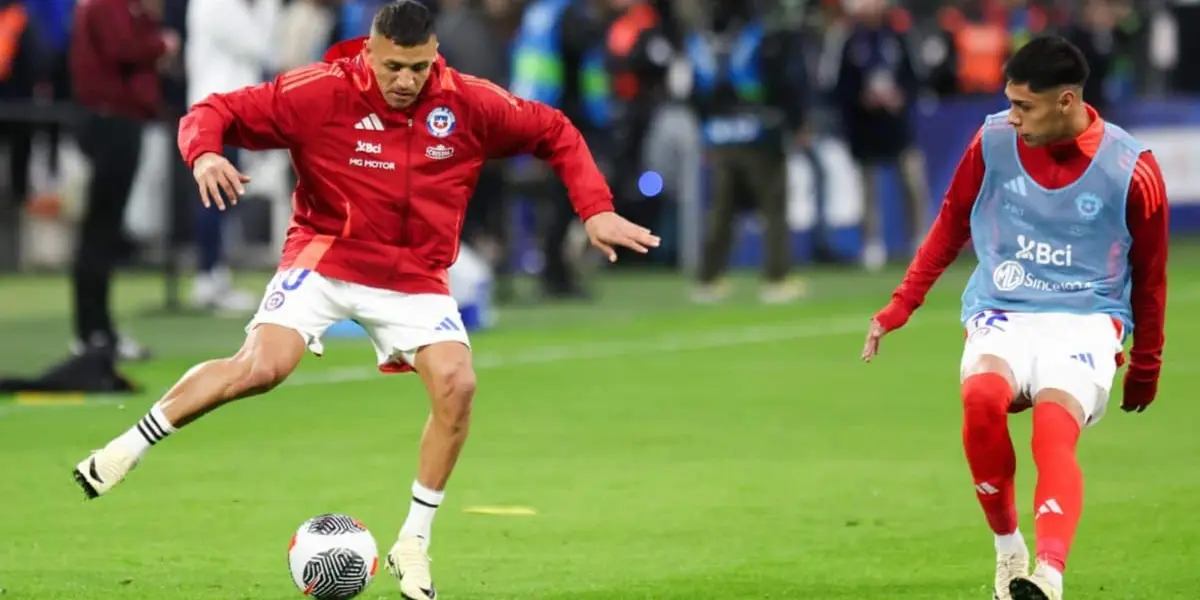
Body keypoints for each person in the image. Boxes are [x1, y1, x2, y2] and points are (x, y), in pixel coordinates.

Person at [71, 3, 659, 600]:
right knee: (262, 367)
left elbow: (554, 130)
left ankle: (413, 543)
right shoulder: (319, 91)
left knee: (458, 384)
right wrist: (206, 153)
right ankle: (126, 448)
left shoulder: (467, 103)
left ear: (435, 57)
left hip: (416, 273)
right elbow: (212, 110)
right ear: (368, 54)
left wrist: (596, 208)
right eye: (394, 67)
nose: (407, 81)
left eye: (420, 68)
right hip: (328, 256)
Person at [861, 37, 1167, 600]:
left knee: (1053, 428)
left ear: (1068, 100)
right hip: (1003, 308)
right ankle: (1009, 552)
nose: (1013, 116)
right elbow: (951, 222)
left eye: (1025, 105)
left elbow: (1150, 277)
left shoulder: (1132, 169)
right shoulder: (993, 140)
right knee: (980, 400)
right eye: (1010, 102)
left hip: (1086, 318)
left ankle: (1048, 577)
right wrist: (901, 305)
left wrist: (1145, 365)